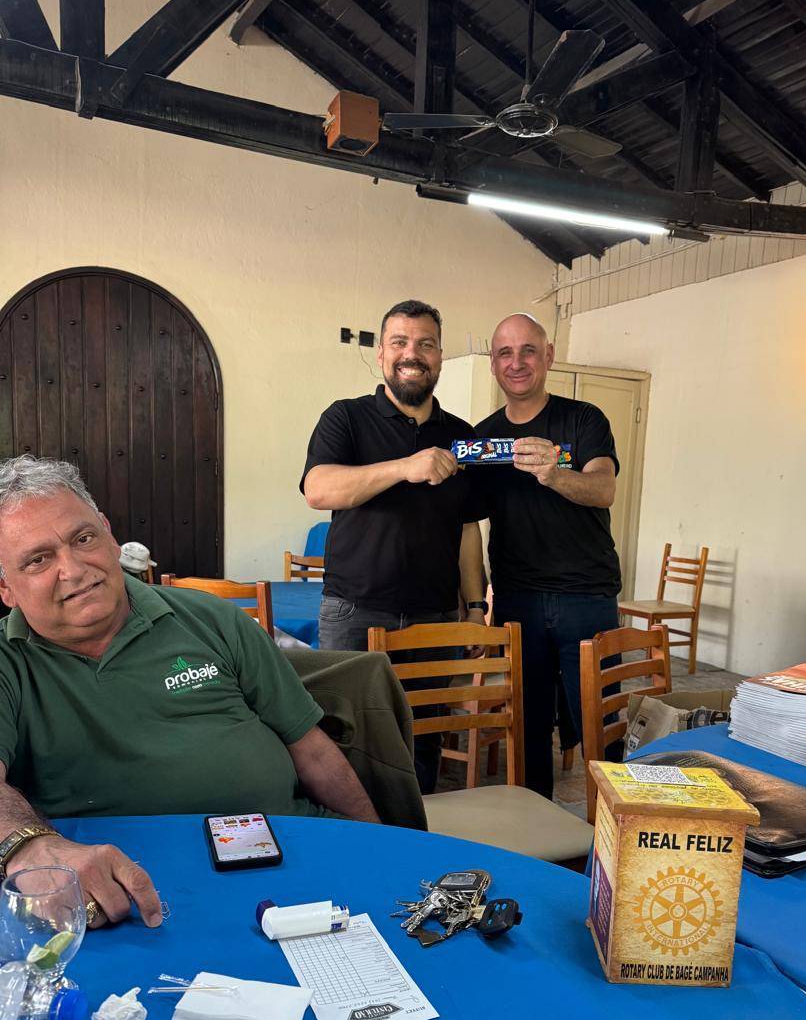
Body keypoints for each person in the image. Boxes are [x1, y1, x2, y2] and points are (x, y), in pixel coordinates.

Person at [0, 455, 379, 931]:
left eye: (83, 538)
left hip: (291, 856)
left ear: (110, 535)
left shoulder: (211, 618)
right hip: (130, 899)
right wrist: (30, 848)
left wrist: (378, 845)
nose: (74, 569)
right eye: (38, 559)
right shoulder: (7, 659)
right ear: (5, 588)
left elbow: (311, 748)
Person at [301, 299, 486, 794]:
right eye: (400, 342)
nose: (412, 354)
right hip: (354, 611)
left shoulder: (461, 436)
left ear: (440, 356)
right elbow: (318, 489)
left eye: (426, 344)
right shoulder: (346, 417)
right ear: (381, 353)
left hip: (435, 617)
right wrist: (405, 467)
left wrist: (475, 606)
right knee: (341, 741)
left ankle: (415, 826)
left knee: (422, 742)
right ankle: (351, 833)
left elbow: (468, 528)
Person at [474, 313, 621, 799]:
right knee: (527, 729)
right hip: (518, 600)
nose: (517, 363)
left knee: (602, 727)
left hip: (586, 597)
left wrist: (554, 473)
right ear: (493, 364)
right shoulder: (484, 438)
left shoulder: (584, 418)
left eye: (528, 351)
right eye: (505, 353)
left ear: (549, 356)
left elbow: (604, 488)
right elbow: (465, 519)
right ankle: (534, 826)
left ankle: (615, 828)